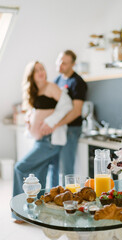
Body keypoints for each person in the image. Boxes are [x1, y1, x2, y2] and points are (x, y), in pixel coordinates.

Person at [13, 61, 72, 222]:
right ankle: (35, 214)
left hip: (49, 140)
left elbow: (66, 105)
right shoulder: (35, 91)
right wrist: (30, 118)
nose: (41, 72)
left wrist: (51, 122)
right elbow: (39, 111)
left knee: (20, 168)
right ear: (31, 75)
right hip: (40, 140)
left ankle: (18, 211)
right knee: (40, 175)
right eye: (36, 70)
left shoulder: (51, 87)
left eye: (42, 69)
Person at [40, 50, 87, 184]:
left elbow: (76, 111)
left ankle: (68, 201)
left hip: (71, 129)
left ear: (73, 64)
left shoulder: (78, 83)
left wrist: (56, 124)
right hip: (58, 129)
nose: (60, 65)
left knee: (66, 170)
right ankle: (52, 198)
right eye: (59, 61)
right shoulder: (57, 80)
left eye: (64, 63)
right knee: (53, 166)